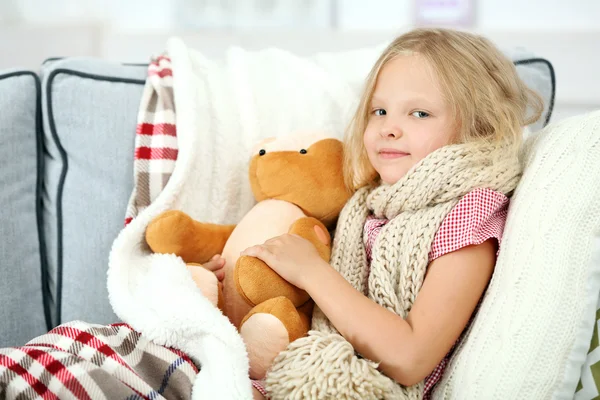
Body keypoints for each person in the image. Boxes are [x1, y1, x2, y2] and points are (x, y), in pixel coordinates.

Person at [207, 27, 543, 399]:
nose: (389, 128)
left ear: (478, 126)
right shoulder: (369, 203)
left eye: (419, 113)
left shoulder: (469, 218)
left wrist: (311, 272)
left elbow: (411, 356)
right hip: (299, 369)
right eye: (379, 111)